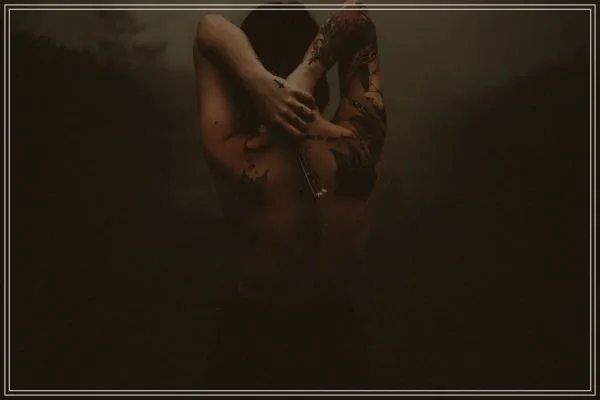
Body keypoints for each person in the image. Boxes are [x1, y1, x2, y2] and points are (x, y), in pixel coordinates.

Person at [193, 0, 386, 389]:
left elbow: (208, 31)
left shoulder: (233, 156)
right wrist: (311, 68)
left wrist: (263, 83)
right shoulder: (360, 143)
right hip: (337, 345)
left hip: (252, 347)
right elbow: (360, 22)